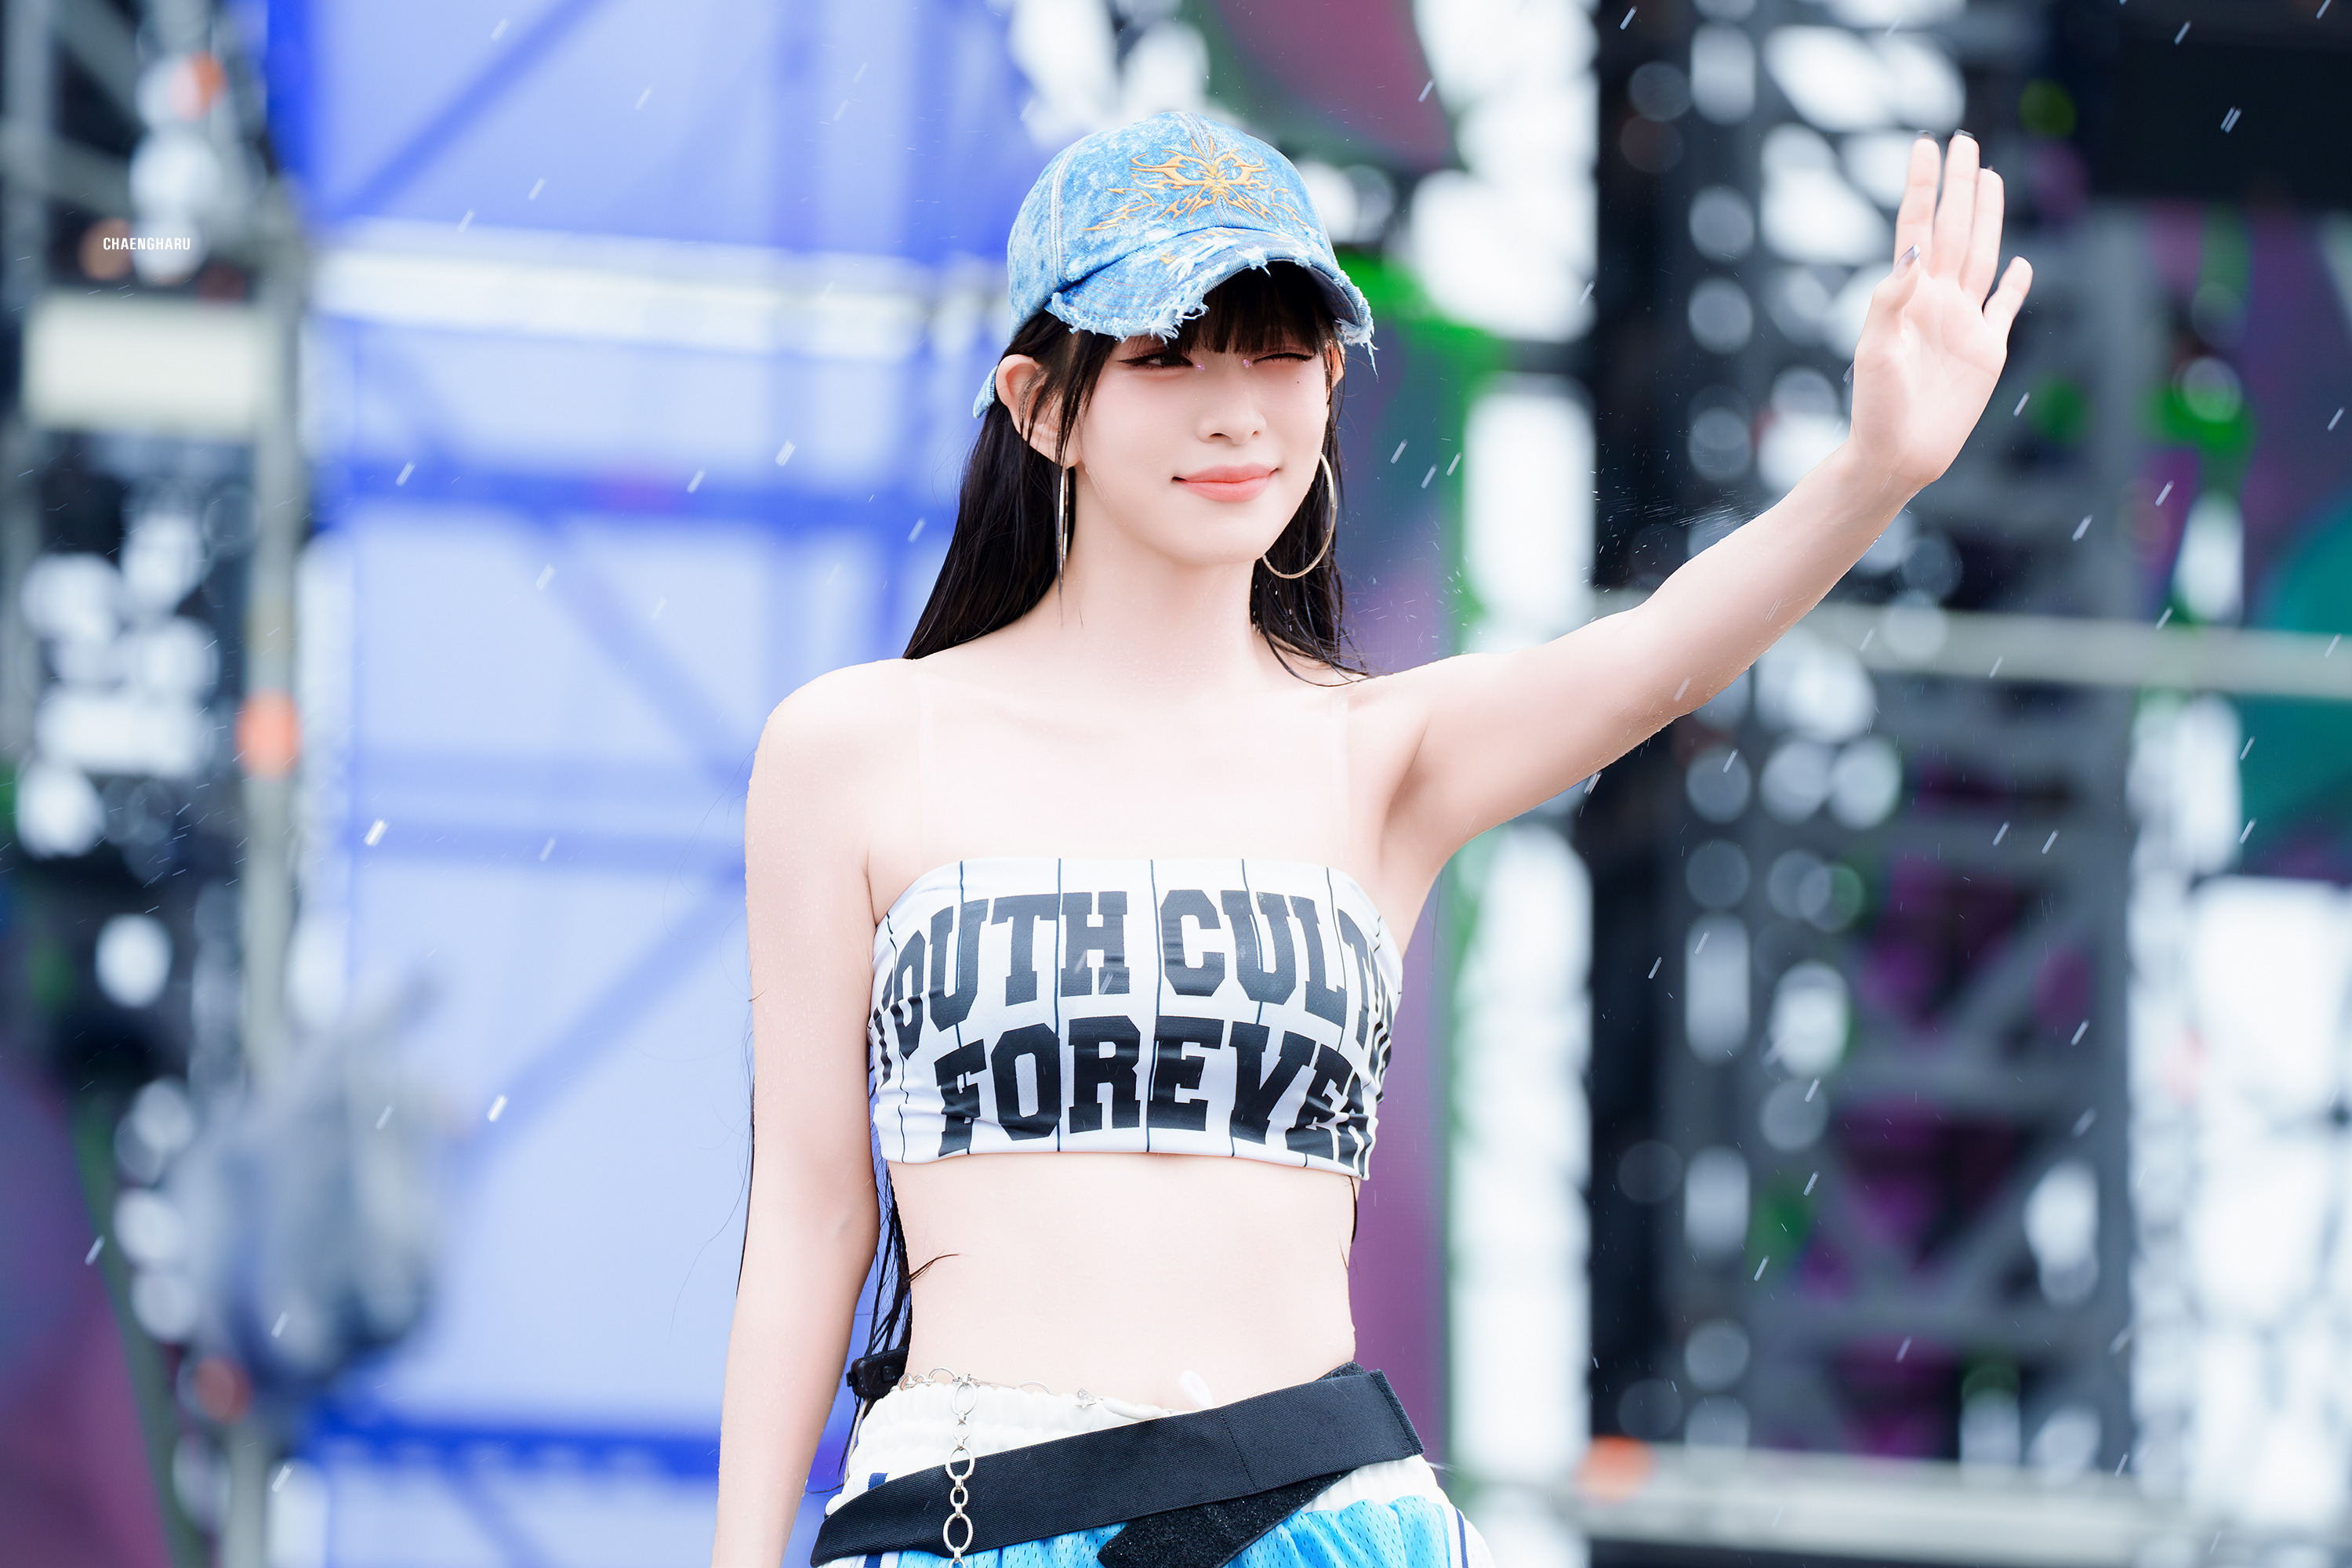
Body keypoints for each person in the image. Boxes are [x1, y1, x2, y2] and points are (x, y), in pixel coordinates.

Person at [710, 109, 2029, 1568]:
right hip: (979, 1519)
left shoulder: (1381, 753)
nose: (1236, 412)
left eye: (1280, 353)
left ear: (1332, 383)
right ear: (1041, 406)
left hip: (1328, 1517)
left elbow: (1660, 653)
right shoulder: (855, 751)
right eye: (1168, 355)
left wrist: (1872, 473)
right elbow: (811, 1221)